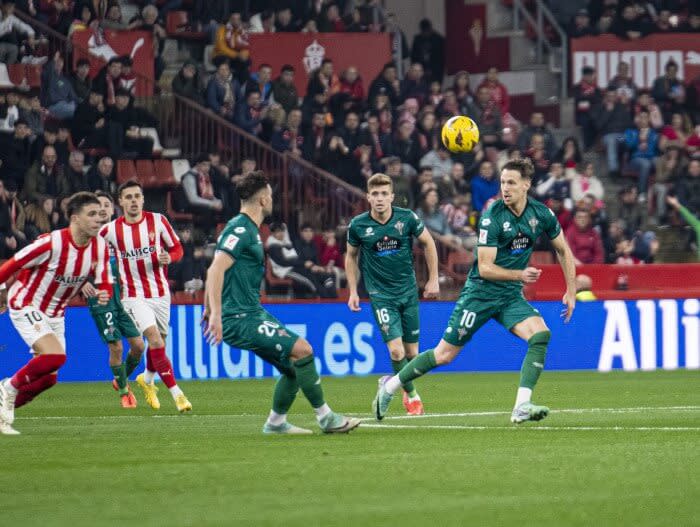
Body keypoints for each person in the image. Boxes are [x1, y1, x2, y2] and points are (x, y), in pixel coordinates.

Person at [372, 159, 577, 424]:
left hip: (509, 296)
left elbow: (563, 250)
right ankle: (389, 387)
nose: (505, 188)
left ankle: (521, 406)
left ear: (527, 185)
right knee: (444, 355)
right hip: (480, 294)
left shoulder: (541, 214)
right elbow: (485, 267)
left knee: (540, 335)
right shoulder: (493, 216)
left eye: (511, 182)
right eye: (503, 182)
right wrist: (520, 274)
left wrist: (570, 290)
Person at [203, 171, 360, 435]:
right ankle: (326, 418)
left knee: (293, 366)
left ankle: (276, 423)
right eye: (271, 196)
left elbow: (218, 270)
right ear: (263, 200)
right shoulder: (240, 229)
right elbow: (215, 270)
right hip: (240, 317)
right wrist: (216, 314)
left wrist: (208, 307)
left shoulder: (246, 229)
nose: (273, 199)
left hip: (251, 312)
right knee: (303, 350)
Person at [0, 192, 112, 435]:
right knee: (56, 356)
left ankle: (3, 407)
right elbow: (14, 263)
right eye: (91, 214)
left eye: (100, 215)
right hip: (27, 302)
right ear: (74, 219)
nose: (98, 220)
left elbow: (105, 282)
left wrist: (104, 293)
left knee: (50, 378)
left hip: (56, 313)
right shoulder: (52, 242)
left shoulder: (100, 247)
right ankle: (7, 388)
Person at [345, 173, 439, 415]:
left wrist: (433, 279)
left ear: (392, 196)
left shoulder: (407, 218)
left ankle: (390, 381)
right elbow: (351, 256)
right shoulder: (358, 225)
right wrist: (353, 291)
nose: (379, 199)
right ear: (368, 197)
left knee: (412, 354)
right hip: (381, 295)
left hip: (408, 293)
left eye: (384, 194)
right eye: (375, 194)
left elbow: (429, 243)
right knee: (396, 351)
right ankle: (412, 396)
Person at [100, 180, 191, 413]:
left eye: (136, 196)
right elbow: (90, 247)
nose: (133, 201)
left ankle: (146, 379)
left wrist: (170, 258)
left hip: (160, 293)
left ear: (143, 199)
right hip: (133, 295)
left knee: (158, 343)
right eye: (128, 197)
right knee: (156, 340)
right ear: (120, 202)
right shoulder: (111, 230)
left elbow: (177, 248)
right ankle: (177, 394)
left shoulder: (158, 220)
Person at [83, 191, 145, 408]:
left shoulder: (119, 235)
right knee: (116, 347)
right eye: (98, 205)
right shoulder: (87, 237)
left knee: (138, 346)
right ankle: (125, 393)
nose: (102, 209)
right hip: (102, 299)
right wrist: (82, 282)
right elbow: (71, 262)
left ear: (112, 209)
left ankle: (120, 380)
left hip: (122, 298)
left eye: (106, 205)